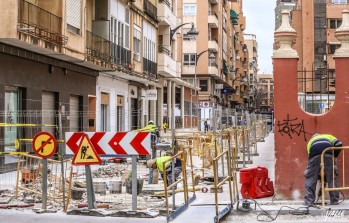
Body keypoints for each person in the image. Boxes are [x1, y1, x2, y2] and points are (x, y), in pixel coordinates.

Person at [304, 133, 342, 206]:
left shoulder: (310, 142)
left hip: (314, 154)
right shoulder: (329, 136)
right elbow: (339, 144)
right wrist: (334, 156)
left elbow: (310, 158)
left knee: (310, 177)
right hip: (328, 152)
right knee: (332, 178)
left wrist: (315, 171)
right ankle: (334, 201)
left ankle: (309, 202)